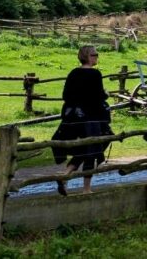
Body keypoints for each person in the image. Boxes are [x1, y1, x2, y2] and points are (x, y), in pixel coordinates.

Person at [51, 46, 112, 196]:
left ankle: (65, 175)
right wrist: (105, 95)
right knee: (93, 150)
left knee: (84, 149)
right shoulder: (95, 74)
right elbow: (97, 97)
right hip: (92, 119)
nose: (96, 57)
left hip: (74, 120)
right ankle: (86, 189)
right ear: (87, 56)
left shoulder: (73, 73)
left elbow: (66, 95)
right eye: (94, 54)